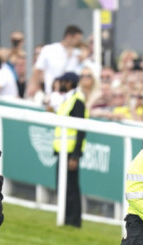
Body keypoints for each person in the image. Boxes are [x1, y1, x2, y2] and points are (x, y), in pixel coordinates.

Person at [53, 69, 94, 228]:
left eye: (62, 81)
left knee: (71, 188)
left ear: (69, 83)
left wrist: (75, 156)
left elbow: (80, 129)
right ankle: (66, 217)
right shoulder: (67, 99)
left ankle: (74, 220)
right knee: (63, 186)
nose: (59, 84)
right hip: (63, 150)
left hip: (70, 152)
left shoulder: (77, 101)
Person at [26, 25, 82, 99]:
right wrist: (32, 85)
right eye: (77, 39)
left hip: (71, 95)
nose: (78, 42)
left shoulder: (78, 54)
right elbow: (38, 69)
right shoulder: (49, 50)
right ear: (69, 37)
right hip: (51, 92)